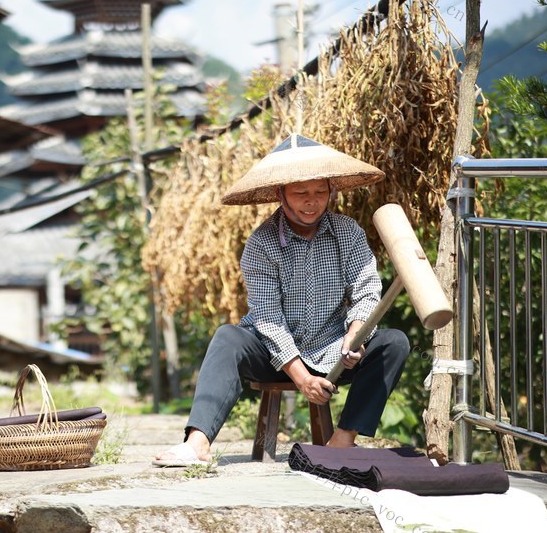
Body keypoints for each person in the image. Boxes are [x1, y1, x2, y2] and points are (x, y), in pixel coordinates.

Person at [154, 134, 409, 466]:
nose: (311, 201)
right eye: (300, 193)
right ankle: (197, 443)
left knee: (394, 342)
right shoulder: (260, 244)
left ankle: (342, 440)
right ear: (280, 194)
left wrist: (355, 335)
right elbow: (268, 319)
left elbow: (366, 291)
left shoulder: (348, 233)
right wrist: (302, 379)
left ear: (331, 190)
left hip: (334, 348)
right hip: (273, 353)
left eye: (320, 192)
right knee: (227, 338)